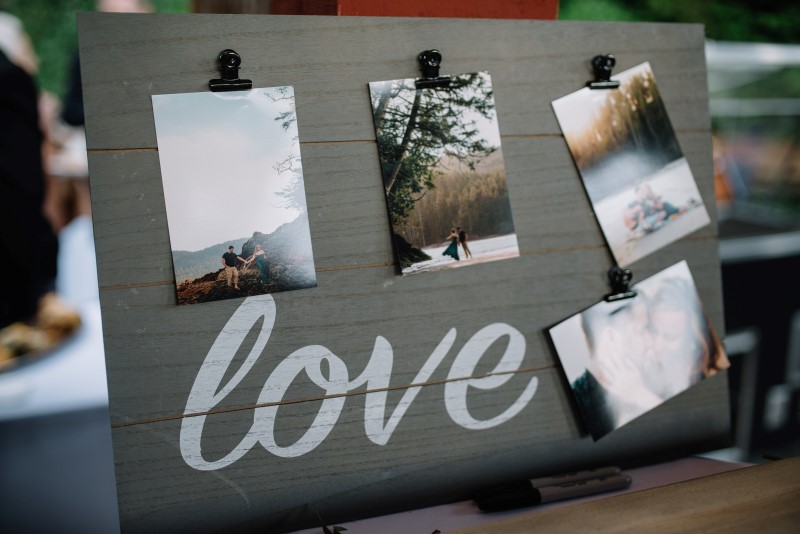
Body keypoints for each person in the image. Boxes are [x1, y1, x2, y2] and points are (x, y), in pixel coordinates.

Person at [571, 297, 663, 439]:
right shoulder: (578, 406)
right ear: (612, 338)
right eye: (642, 330)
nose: (651, 342)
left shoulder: (654, 379)